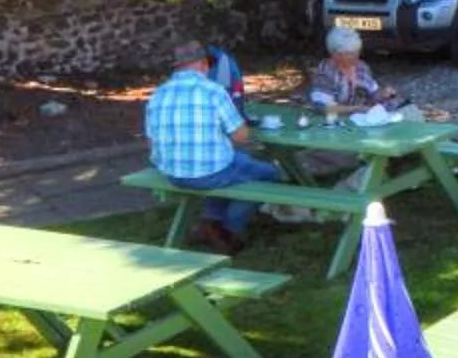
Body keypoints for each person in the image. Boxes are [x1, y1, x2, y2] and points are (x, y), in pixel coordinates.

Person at [144, 39, 275, 250]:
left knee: (228, 164)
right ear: (204, 64)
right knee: (269, 174)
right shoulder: (213, 91)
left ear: (176, 67)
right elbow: (241, 136)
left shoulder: (158, 94)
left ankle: (209, 222)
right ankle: (229, 228)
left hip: (171, 172)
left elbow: (151, 141)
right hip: (209, 172)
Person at [292, 28, 404, 182]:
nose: (356, 56)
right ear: (335, 55)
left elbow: (373, 93)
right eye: (350, 53)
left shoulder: (361, 67)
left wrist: (383, 94)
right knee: (351, 150)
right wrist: (356, 109)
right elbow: (325, 108)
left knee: (406, 114)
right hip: (337, 124)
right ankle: (367, 172)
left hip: (362, 121)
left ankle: (391, 165)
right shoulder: (325, 73)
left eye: (357, 51)